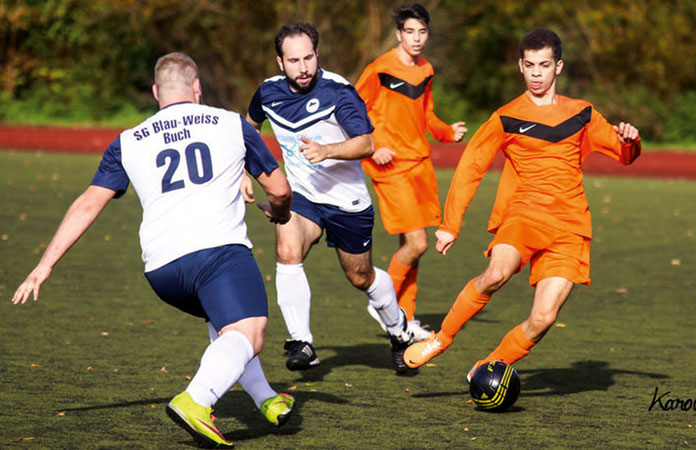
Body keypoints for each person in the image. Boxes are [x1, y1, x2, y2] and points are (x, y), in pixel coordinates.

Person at [12, 52, 295, 448]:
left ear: (156, 93)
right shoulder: (231, 123)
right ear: (197, 89)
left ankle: (266, 398)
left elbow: (88, 203)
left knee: (228, 322)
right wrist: (280, 213)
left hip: (162, 270)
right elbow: (279, 189)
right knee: (250, 330)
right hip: (218, 253)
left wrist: (44, 266)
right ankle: (196, 401)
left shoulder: (127, 141)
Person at [403, 29, 641, 381]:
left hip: (570, 227)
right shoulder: (507, 117)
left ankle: (490, 365)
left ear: (558, 66)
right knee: (496, 274)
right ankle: (442, 338)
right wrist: (450, 224)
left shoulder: (583, 114)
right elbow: (471, 166)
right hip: (523, 216)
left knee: (543, 318)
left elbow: (624, 156)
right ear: (520, 66)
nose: (536, 73)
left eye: (544, 65)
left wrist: (631, 140)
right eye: (529, 65)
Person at [244, 23, 413, 374]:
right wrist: (246, 172)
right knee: (286, 248)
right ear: (280, 62)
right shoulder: (268, 92)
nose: (303, 67)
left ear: (317, 55)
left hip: (346, 201)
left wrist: (328, 150)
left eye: (308, 57)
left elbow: (366, 143)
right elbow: (250, 127)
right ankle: (301, 342)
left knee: (360, 277)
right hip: (302, 197)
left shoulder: (339, 91)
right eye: (294, 60)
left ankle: (398, 330)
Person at [355, 3, 467, 341]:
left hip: (420, 164)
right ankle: (382, 302)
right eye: (410, 32)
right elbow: (352, 111)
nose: (416, 38)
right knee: (417, 243)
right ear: (398, 34)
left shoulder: (426, 70)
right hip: (388, 165)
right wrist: (373, 145)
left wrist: (447, 132)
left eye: (422, 31)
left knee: (412, 246)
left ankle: (406, 317)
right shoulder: (379, 69)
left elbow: (427, 116)